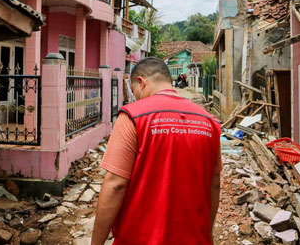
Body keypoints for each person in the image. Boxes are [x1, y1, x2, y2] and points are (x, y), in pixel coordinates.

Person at [92, 57, 222, 245]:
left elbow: (116, 185)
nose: (135, 96)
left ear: (141, 82)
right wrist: (207, 234)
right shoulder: (209, 121)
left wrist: (96, 243)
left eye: (135, 91)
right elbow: (214, 184)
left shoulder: (133, 116)